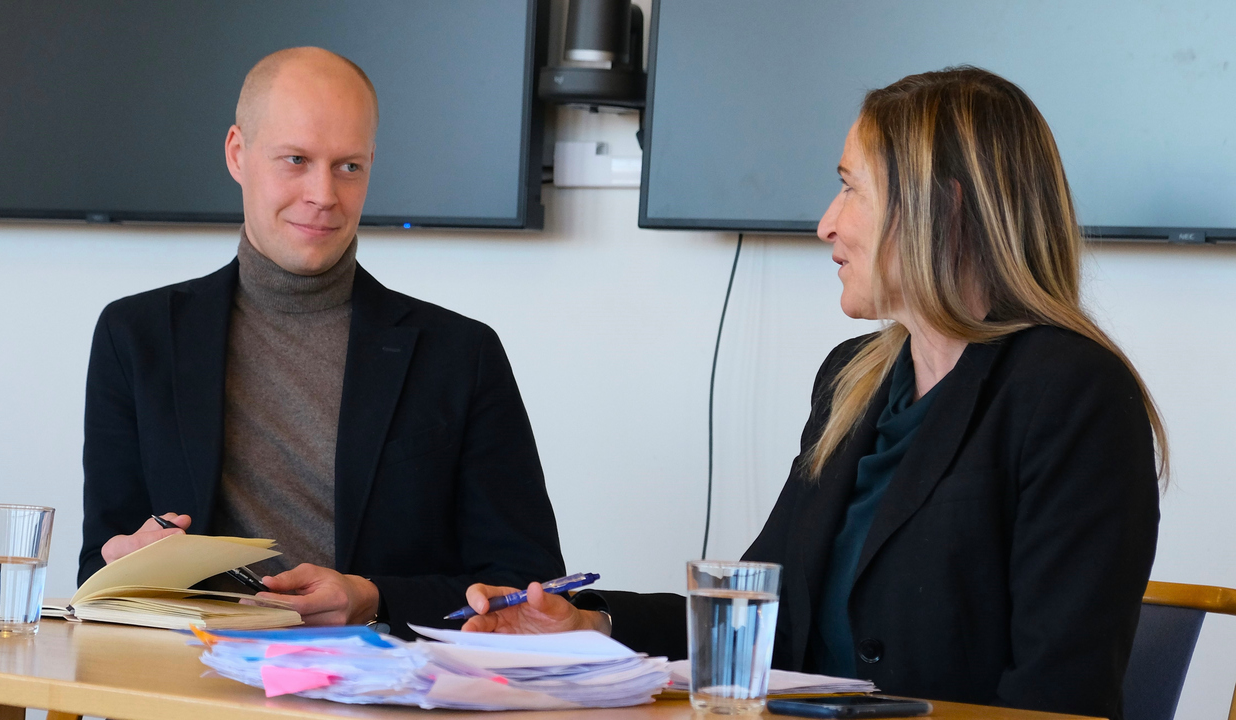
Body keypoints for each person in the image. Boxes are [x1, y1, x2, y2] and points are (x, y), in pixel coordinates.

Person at [460, 67, 1163, 720]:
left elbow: (1059, 694)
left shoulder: (1073, 394)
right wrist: (591, 623)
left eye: (851, 188)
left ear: (940, 209)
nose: (827, 223)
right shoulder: (852, 379)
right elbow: (763, 614)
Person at [79, 47, 565, 635]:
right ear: (238, 153)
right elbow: (97, 569)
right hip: (191, 679)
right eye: (296, 159)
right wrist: (130, 564)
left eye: (348, 166)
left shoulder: (461, 354)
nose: (324, 193)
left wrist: (374, 598)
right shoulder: (137, 337)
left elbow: (527, 587)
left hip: (386, 693)